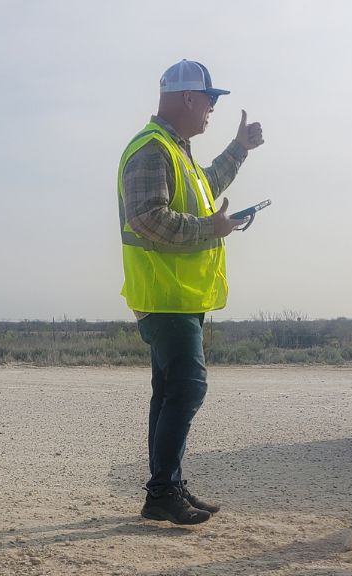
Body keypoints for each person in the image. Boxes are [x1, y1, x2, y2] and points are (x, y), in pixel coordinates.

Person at [116, 60, 265, 525]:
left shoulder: (176, 152)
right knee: (188, 387)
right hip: (165, 296)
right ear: (187, 99)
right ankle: (162, 492)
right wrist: (211, 227)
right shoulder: (151, 150)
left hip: (177, 297)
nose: (212, 110)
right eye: (210, 100)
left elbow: (206, 185)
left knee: (169, 392)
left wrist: (239, 149)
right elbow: (147, 218)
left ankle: (166, 487)